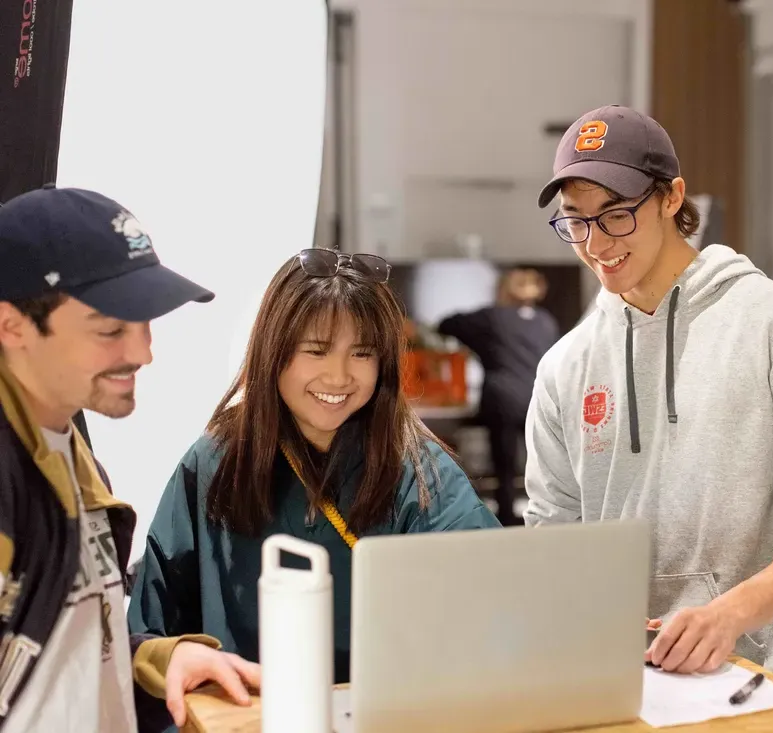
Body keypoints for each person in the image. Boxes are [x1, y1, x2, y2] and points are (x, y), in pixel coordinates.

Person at [524, 105, 773, 684]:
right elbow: (552, 531)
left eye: (616, 215)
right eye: (576, 221)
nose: (595, 244)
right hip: (616, 677)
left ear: (672, 198)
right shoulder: (564, 366)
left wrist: (731, 614)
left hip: (759, 680)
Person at [127, 248, 501, 721]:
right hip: (245, 716)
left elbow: (489, 594)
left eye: (362, 353)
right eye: (316, 350)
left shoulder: (420, 470)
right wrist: (175, 656)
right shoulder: (215, 462)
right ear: (274, 351)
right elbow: (151, 635)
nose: (338, 376)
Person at [0, 185, 258, 733]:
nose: (142, 353)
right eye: (110, 330)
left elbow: (64, 638)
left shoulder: (65, 446)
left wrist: (154, 659)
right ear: (13, 326)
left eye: (143, 325)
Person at [438, 268, 559, 525]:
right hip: (537, 399)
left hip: (502, 401)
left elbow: (446, 324)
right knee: (543, 469)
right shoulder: (546, 321)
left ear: (503, 289)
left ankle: (505, 523)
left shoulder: (492, 318)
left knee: (504, 470)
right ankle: (539, 523)